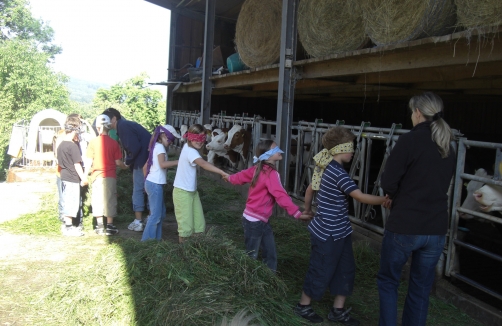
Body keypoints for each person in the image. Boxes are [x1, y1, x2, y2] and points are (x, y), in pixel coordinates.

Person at [294, 126, 387, 325]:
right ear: (339, 149)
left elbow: (310, 189)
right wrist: (385, 200)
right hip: (327, 232)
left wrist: (307, 209)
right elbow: (360, 197)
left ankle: (338, 310)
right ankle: (303, 305)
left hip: (341, 230)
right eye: (351, 147)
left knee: (346, 268)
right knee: (321, 267)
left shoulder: (325, 166)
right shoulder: (338, 173)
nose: (353, 151)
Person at [377, 92, 456, 326]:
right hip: (435, 228)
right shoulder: (446, 145)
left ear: (418, 113)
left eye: (412, 112)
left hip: (406, 225)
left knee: (389, 281)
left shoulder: (409, 140)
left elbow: (388, 182)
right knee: (421, 288)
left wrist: (396, 196)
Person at [224, 140, 312, 271]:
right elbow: (280, 195)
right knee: (251, 255)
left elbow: (240, 176)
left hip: (256, 219)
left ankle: (270, 278)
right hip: (256, 220)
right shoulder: (271, 174)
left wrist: (230, 178)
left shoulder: (258, 169)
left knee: (269, 253)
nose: (279, 150)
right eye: (275, 148)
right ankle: (246, 279)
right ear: (269, 155)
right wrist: (296, 213)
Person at [173, 124, 228, 243]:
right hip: (182, 193)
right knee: (185, 229)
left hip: (192, 192)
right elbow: (203, 164)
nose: (199, 141)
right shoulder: (191, 151)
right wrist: (221, 172)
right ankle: (183, 254)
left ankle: (196, 252)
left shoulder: (189, 148)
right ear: (189, 137)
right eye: (196, 137)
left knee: (199, 226)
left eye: (202, 138)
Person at [102, 108, 151, 232]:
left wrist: (127, 162)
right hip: (148, 160)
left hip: (141, 161)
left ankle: (138, 221)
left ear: (114, 119)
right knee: (149, 188)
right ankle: (150, 217)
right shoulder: (125, 125)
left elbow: (133, 147)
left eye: (106, 119)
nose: (104, 122)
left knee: (138, 189)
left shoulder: (123, 126)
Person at [85, 115, 128, 236]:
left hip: (97, 175)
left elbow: (89, 160)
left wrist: (84, 176)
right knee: (110, 198)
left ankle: (99, 226)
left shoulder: (93, 142)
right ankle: (109, 226)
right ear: (109, 128)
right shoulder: (114, 143)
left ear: (97, 127)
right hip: (110, 175)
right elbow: (118, 162)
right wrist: (125, 167)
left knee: (97, 199)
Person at [141, 124, 180, 241]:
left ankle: (156, 240)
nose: (172, 142)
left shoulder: (155, 147)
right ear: (164, 135)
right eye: (171, 138)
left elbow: (145, 166)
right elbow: (163, 164)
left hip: (152, 183)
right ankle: (147, 242)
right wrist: (179, 161)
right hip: (155, 184)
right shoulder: (160, 148)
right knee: (155, 216)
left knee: (160, 214)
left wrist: (146, 181)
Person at [57, 115, 88, 236]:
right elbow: (77, 165)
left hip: (64, 176)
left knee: (66, 200)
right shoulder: (72, 146)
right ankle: (68, 227)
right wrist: (84, 178)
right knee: (72, 202)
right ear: (75, 129)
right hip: (72, 178)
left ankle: (67, 225)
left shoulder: (61, 145)